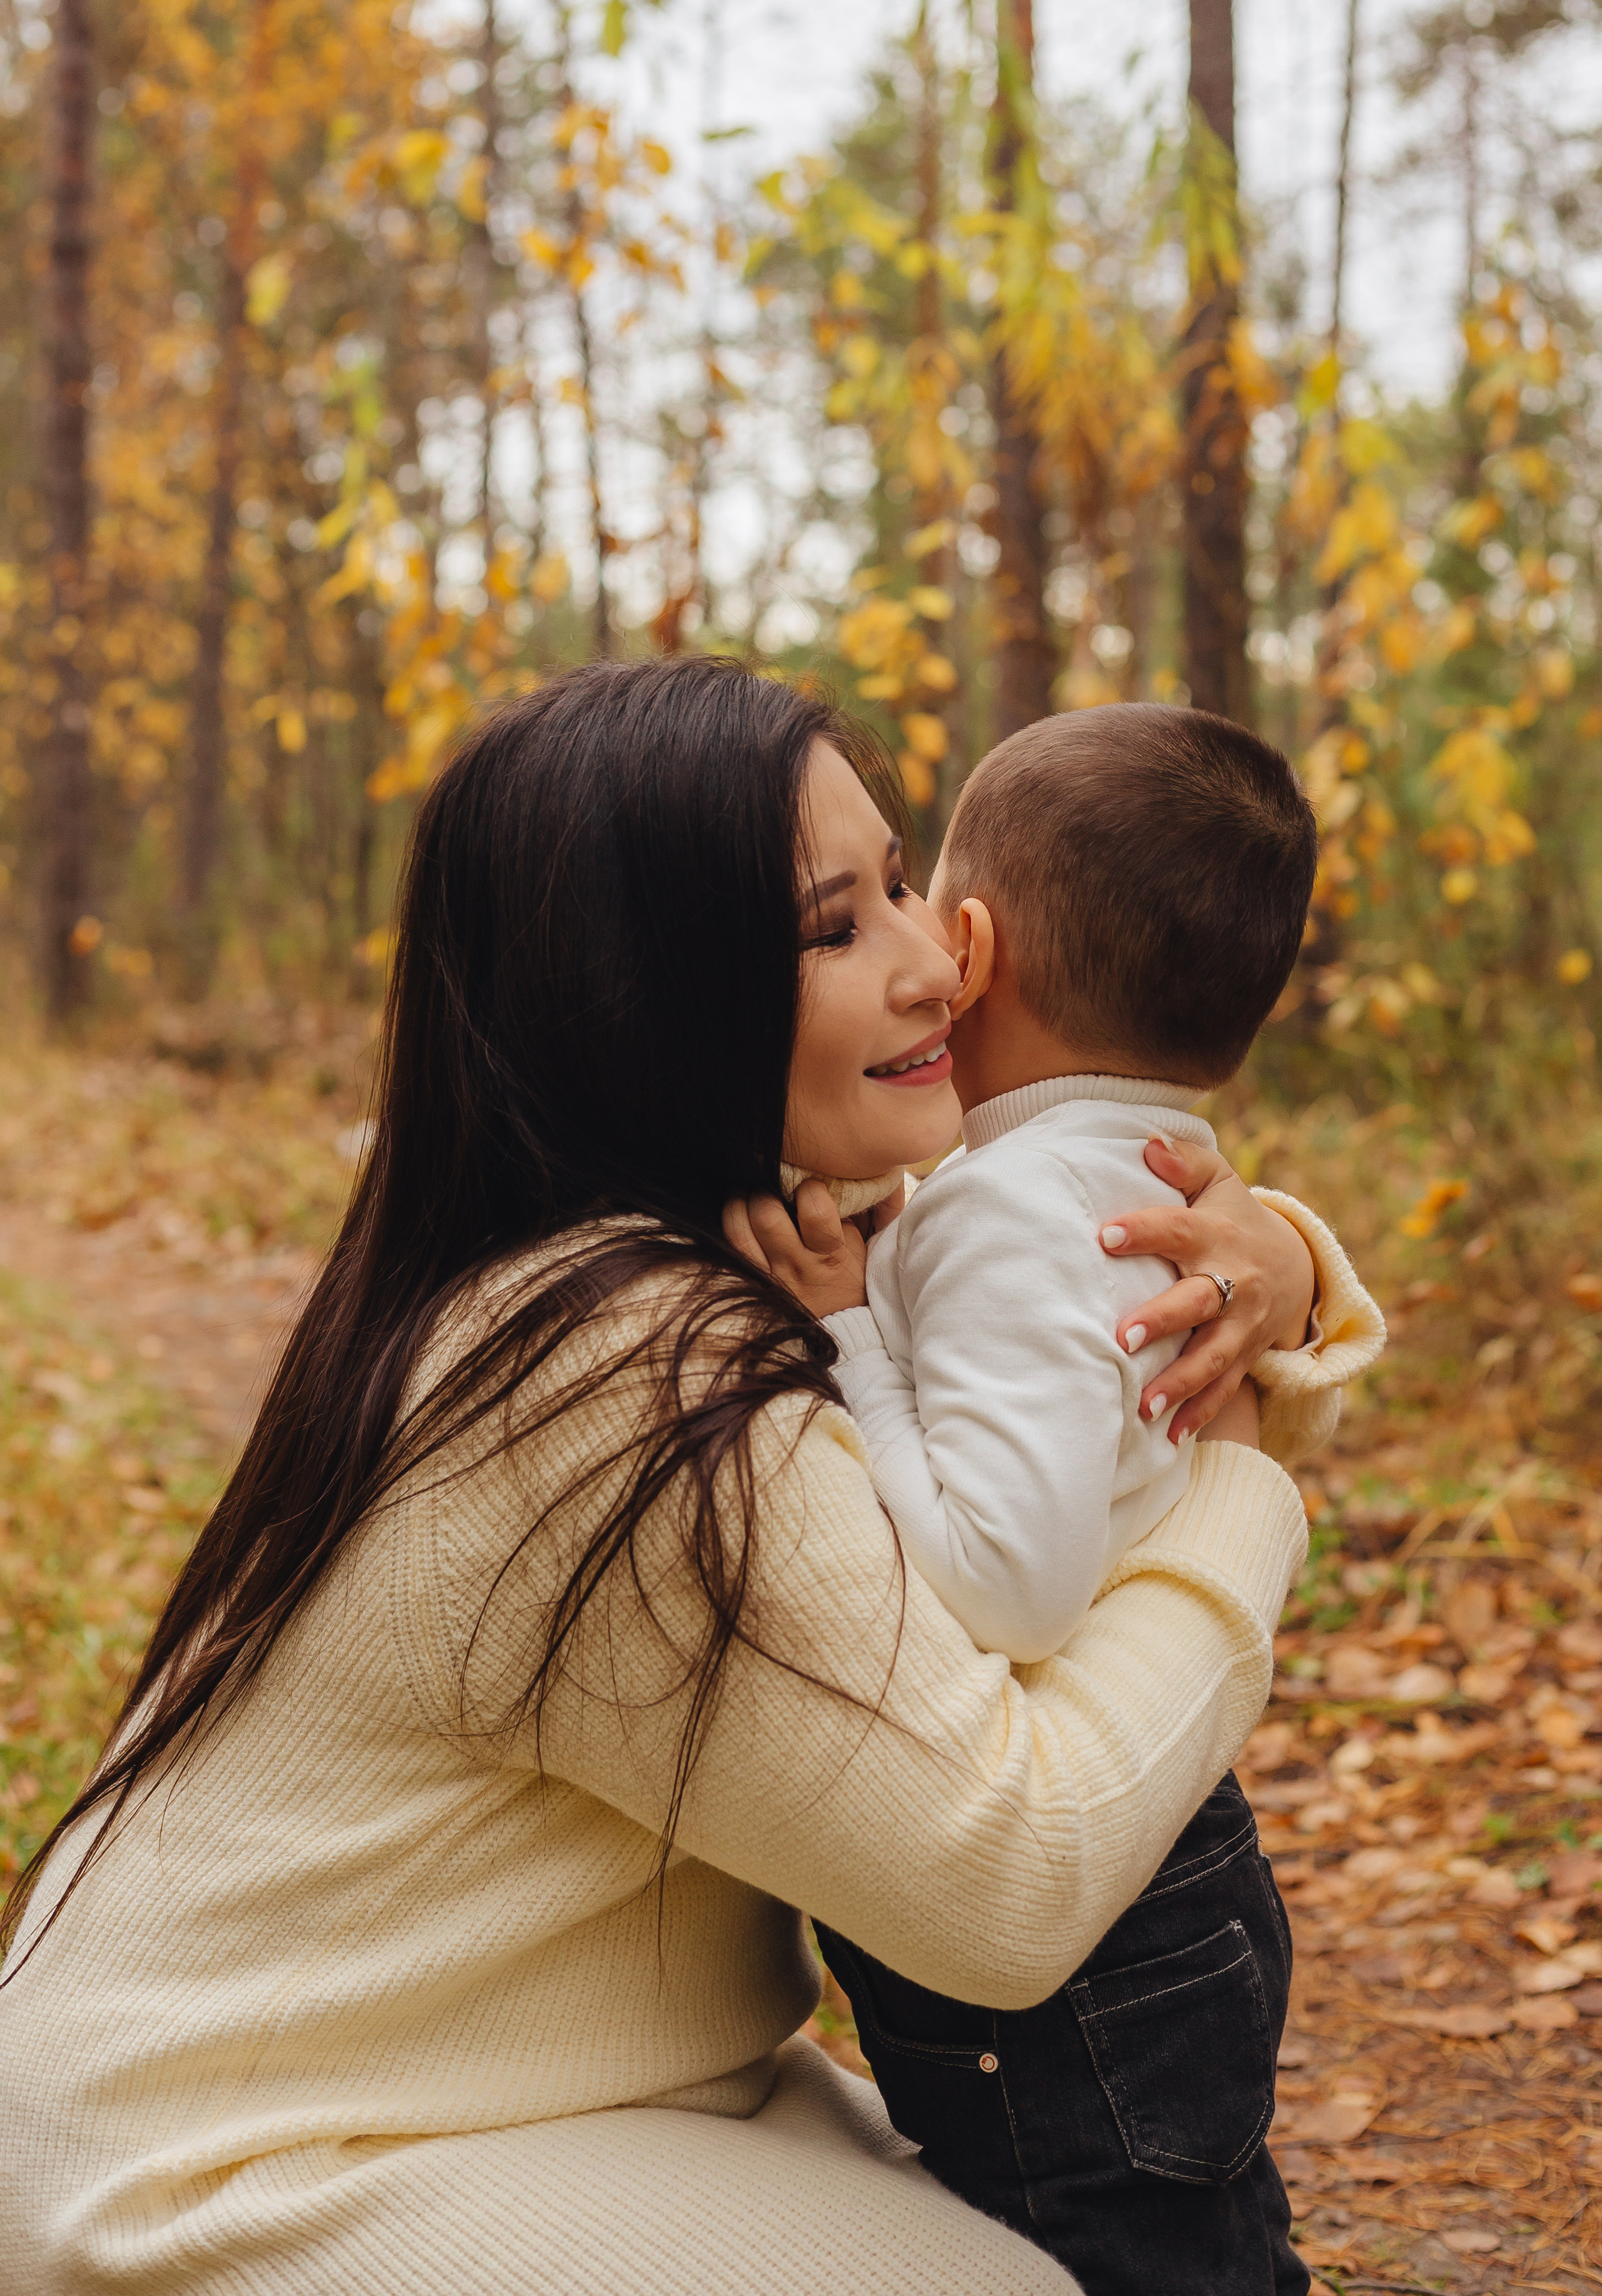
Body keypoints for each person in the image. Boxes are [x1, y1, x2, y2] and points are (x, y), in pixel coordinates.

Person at [1, 661, 1344, 2296]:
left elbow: (1050, 1271)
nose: (938, 961)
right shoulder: (619, 1377)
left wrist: (1283, 1267)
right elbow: (1008, 1876)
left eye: (905, 882)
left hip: (511, 2075)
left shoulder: (693, 1236)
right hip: (231, 2170)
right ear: (645, 990)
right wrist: (1241, 1485)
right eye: (834, 927)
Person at [728, 704, 1384, 2294]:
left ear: (970, 946)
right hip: (1151, 1868)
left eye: (908, 894)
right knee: (1200, 2241)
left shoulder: (1013, 1214)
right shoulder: (1140, 1169)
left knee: (1125, 2257)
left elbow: (1003, 1584)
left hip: (1088, 1930)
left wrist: (849, 1338)